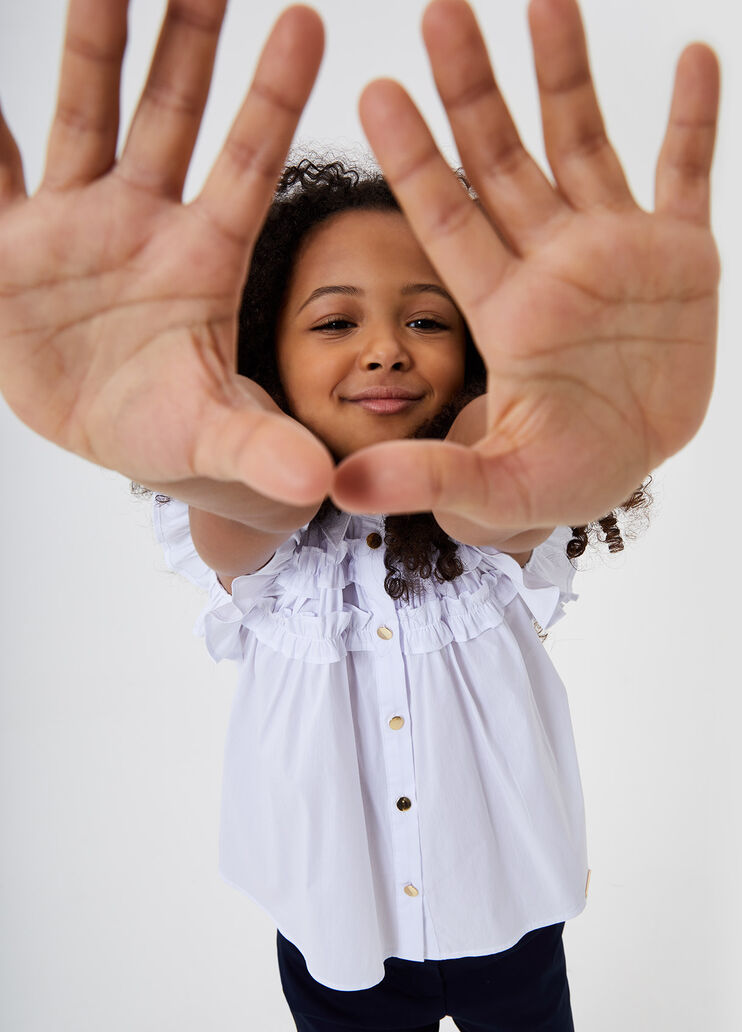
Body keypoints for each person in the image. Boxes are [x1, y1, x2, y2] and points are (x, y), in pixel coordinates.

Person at [0, 0, 720, 1029]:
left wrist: (551, 403)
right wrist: (190, 441)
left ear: (477, 348)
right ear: (260, 349)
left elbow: (489, 488)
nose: (384, 347)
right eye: (335, 321)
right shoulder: (253, 522)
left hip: (505, 912)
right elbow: (245, 507)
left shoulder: (491, 490)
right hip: (333, 930)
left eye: (427, 318)